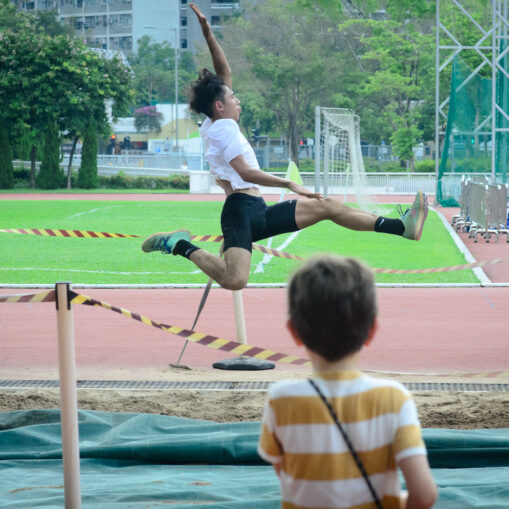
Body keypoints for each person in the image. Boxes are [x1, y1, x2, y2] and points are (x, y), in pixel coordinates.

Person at [141, 3, 429, 291]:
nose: (238, 99)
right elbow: (246, 171)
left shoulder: (217, 123)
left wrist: (207, 33)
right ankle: (178, 243)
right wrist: (290, 183)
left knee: (326, 206)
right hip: (239, 211)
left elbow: (223, 70)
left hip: (257, 209)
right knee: (235, 279)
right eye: (233, 97)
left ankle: (401, 228)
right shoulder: (223, 129)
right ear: (219, 106)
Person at [258, 255, 438, 509]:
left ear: (294, 331)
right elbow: (425, 495)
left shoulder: (281, 398)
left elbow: (284, 471)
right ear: (372, 330)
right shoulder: (394, 399)